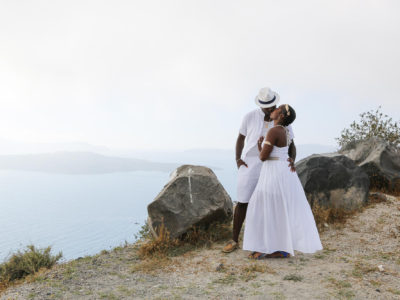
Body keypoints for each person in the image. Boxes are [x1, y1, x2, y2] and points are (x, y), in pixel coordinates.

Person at [243, 104, 322, 259]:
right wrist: (262, 146)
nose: (273, 110)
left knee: (262, 206)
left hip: (273, 173)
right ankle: (280, 247)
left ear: (282, 115)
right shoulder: (284, 131)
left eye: (277, 109)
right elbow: (277, 153)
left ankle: (267, 247)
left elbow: (263, 157)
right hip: (281, 171)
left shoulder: (273, 131)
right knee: (277, 208)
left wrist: (260, 147)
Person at [222, 87, 296, 253]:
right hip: (250, 165)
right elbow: (240, 138)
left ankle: (266, 243)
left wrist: (292, 160)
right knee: (242, 201)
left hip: (272, 166)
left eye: (272, 105)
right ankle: (234, 240)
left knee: (269, 203)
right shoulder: (249, 117)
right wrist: (237, 159)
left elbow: (291, 143)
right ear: (260, 105)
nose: (270, 108)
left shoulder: (281, 121)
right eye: (266, 106)